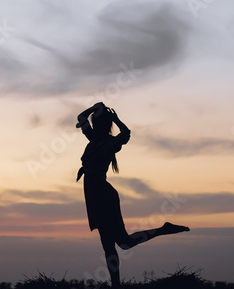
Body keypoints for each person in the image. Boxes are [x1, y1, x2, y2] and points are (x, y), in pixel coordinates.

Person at [76, 102, 189, 288]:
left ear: (103, 126)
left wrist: (116, 119)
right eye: (94, 124)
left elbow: (126, 134)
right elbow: (81, 118)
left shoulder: (110, 143)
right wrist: (95, 108)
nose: (94, 126)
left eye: (97, 123)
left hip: (103, 195)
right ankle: (116, 285)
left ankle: (162, 229)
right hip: (95, 195)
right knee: (108, 244)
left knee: (124, 243)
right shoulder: (93, 139)